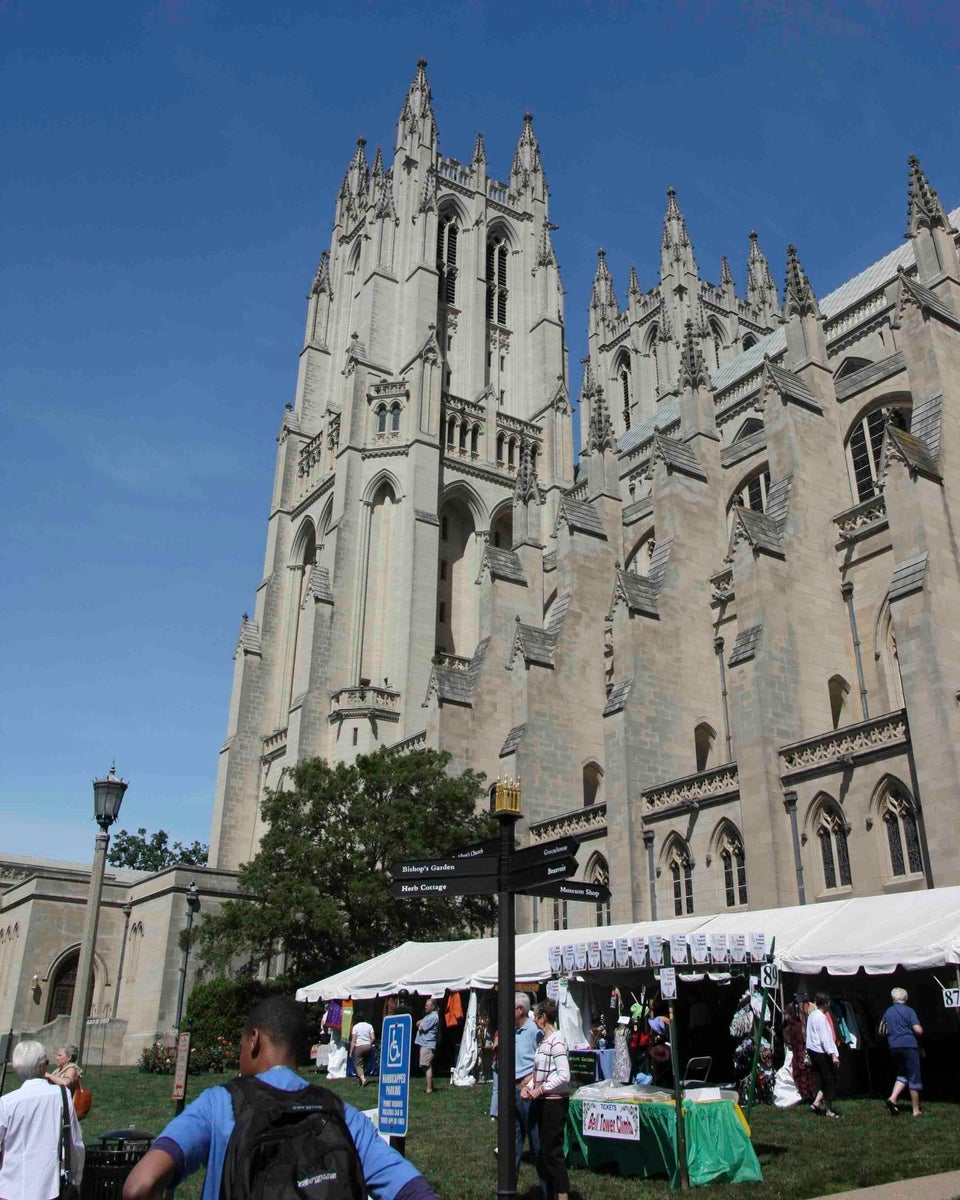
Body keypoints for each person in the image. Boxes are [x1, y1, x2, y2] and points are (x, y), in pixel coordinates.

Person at [122, 996, 439, 1200]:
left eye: (242, 1044)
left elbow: (140, 1186)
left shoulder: (220, 1103)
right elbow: (413, 1190)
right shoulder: (341, 1113)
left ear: (254, 1041)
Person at [0, 1040, 85, 1200]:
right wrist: (76, 1179)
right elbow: (75, 1142)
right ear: (41, 1067)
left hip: (10, 1188)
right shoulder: (61, 1096)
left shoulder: (7, 1103)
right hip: (51, 1188)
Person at [520, 1000, 571, 1200]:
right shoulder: (543, 1041)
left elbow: (563, 1075)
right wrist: (530, 1086)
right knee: (544, 1152)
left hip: (554, 1103)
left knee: (553, 1154)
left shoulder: (557, 1040)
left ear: (544, 1017)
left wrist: (540, 1089)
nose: (535, 1020)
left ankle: (562, 1194)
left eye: (537, 1016)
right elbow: (541, 1072)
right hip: (542, 1101)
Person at [513, 993, 543, 1177]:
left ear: (520, 1010)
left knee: (536, 1143)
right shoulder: (513, 1031)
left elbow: (544, 1061)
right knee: (511, 1144)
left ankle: (546, 1191)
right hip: (513, 1092)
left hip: (528, 1093)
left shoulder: (534, 1031)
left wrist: (531, 1080)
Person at [881, 987, 924, 1116]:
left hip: (894, 1046)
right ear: (905, 998)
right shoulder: (909, 1011)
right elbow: (918, 1030)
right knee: (914, 1076)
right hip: (909, 1045)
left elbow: (881, 1030)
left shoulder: (888, 1012)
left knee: (902, 1073)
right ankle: (916, 1110)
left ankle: (892, 1098)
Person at [805, 992, 841, 1119]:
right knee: (829, 1080)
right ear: (826, 1003)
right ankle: (829, 1110)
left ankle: (816, 1103)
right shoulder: (821, 1017)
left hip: (813, 1050)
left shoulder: (812, 1015)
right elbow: (825, 1038)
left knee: (824, 1080)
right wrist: (833, 1055)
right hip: (821, 1052)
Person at [415, 997, 439, 1094]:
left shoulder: (433, 1016)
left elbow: (421, 1027)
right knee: (425, 1065)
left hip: (427, 1044)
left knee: (426, 1066)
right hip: (424, 1044)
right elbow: (417, 1023)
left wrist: (421, 1023)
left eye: (427, 1005)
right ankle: (431, 1086)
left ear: (433, 1007)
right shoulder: (428, 1016)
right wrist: (420, 1023)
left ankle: (429, 1088)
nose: (425, 1007)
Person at [350, 1015, 376, 1087]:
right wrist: (369, 1043)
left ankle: (363, 1079)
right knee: (364, 1064)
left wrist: (351, 1051)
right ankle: (360, 1082)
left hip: (359, 1047)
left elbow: (353, 1041)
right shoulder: (369, 1026)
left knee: (358, 1064)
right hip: (368, 1046)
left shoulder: (355, 1027)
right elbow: (373, 1038)